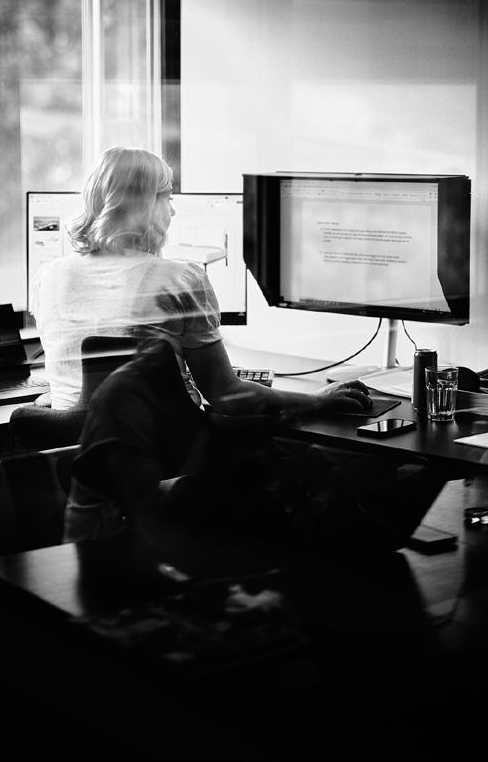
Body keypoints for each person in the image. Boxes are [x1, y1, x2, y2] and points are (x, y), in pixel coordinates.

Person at [31, 146, 447, 549]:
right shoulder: (180, 278)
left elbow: (84, 377)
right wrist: (316, 401)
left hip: (82, 457)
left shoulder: (50, 276)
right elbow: (229, 397)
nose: (173, 211)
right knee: (364, 458)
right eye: (167, 197)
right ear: (144, 204)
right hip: (170, 455)